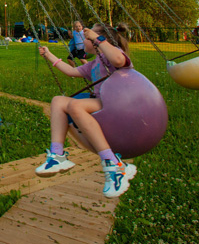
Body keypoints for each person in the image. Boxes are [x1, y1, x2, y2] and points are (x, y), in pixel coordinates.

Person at [35, 22, 137, 198]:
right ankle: (57, 155)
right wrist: (49, 55)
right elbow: (71, 71)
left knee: (75, 105)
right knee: (58, 101)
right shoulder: (95, 63)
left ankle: (114, 165)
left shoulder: (112, 54)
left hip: (121, 103)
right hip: (104, 102)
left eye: (87, 37)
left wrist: (98, 39)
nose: (84, 39)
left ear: (99, 39)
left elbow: (120, 61)